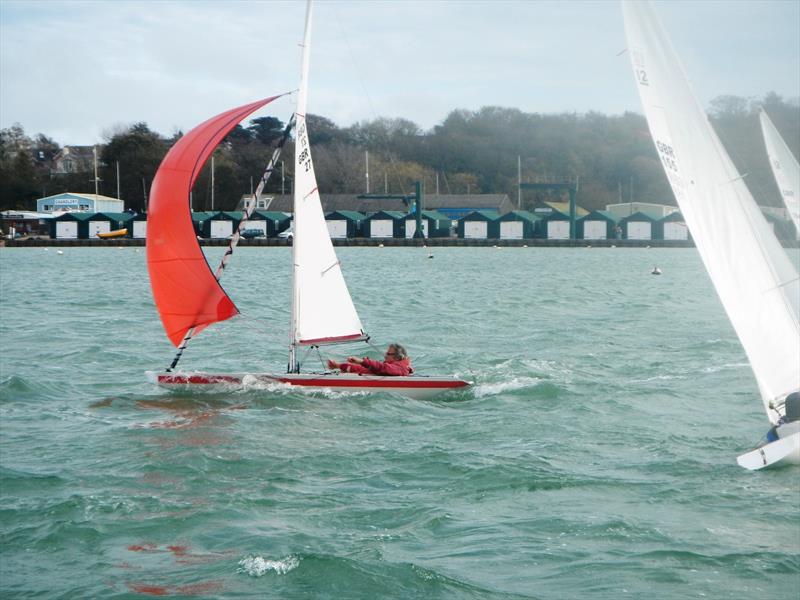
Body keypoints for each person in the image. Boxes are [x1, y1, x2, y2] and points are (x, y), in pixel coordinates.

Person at [327, 343, 413, 376]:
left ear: (398, 357)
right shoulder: (396, 367)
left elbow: (383, 367)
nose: (385, 356)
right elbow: (362, 369)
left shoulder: (400, 368)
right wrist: (339, 366)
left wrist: (361, 361)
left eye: (388, 354)